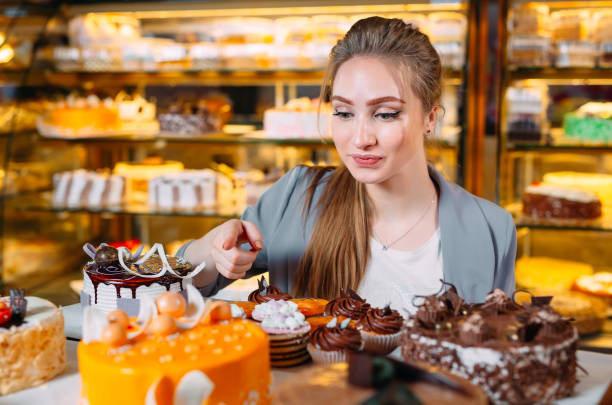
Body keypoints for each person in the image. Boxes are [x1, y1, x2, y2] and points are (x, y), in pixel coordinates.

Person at [180, 17, 516, 313]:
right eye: (343, 113)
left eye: (385, 114)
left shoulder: (491, 229)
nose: (360, 138)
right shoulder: (298, 197)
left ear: (429, 118)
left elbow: (499, 351)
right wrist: (211, 250)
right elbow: (175, 287)